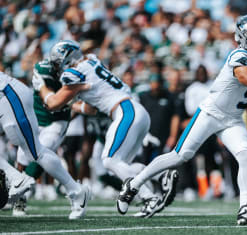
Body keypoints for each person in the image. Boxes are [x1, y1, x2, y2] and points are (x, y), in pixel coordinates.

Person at [117, 14, 247, 225]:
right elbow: (244, 75)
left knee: (246, 154)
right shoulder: (239, 55)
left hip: (233, 119)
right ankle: (133, 185)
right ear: (243, 37)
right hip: (211, 113)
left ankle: (244, 207)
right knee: (180, 156)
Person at [34, 40, 177, 218]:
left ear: (67, 58)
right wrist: (72, 104)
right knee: (120, 164)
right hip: (133, 111)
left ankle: (150, 198)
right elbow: (92, 108)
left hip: (125, 112)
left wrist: (41, 86)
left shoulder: (74, 73)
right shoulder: (91, 61)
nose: (56, 67)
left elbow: (53, 103)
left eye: (57, 62)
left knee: (109, 160)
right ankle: (162, 176)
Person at [0, 70, 88, 220]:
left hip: (8, 96)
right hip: (11, 96)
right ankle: (15, 177)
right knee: (32, 152)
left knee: (35, 152)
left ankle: (77, 191)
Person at [14, 56, 72, 216]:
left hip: (56, 121)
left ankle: (19, 193)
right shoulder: (43, 69)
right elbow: (51, 99)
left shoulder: (76, 75)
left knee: (43, 153)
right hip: (36, 119)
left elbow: (80, 105)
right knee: (22, 158)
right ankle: (14, 191)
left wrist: (76, 107)